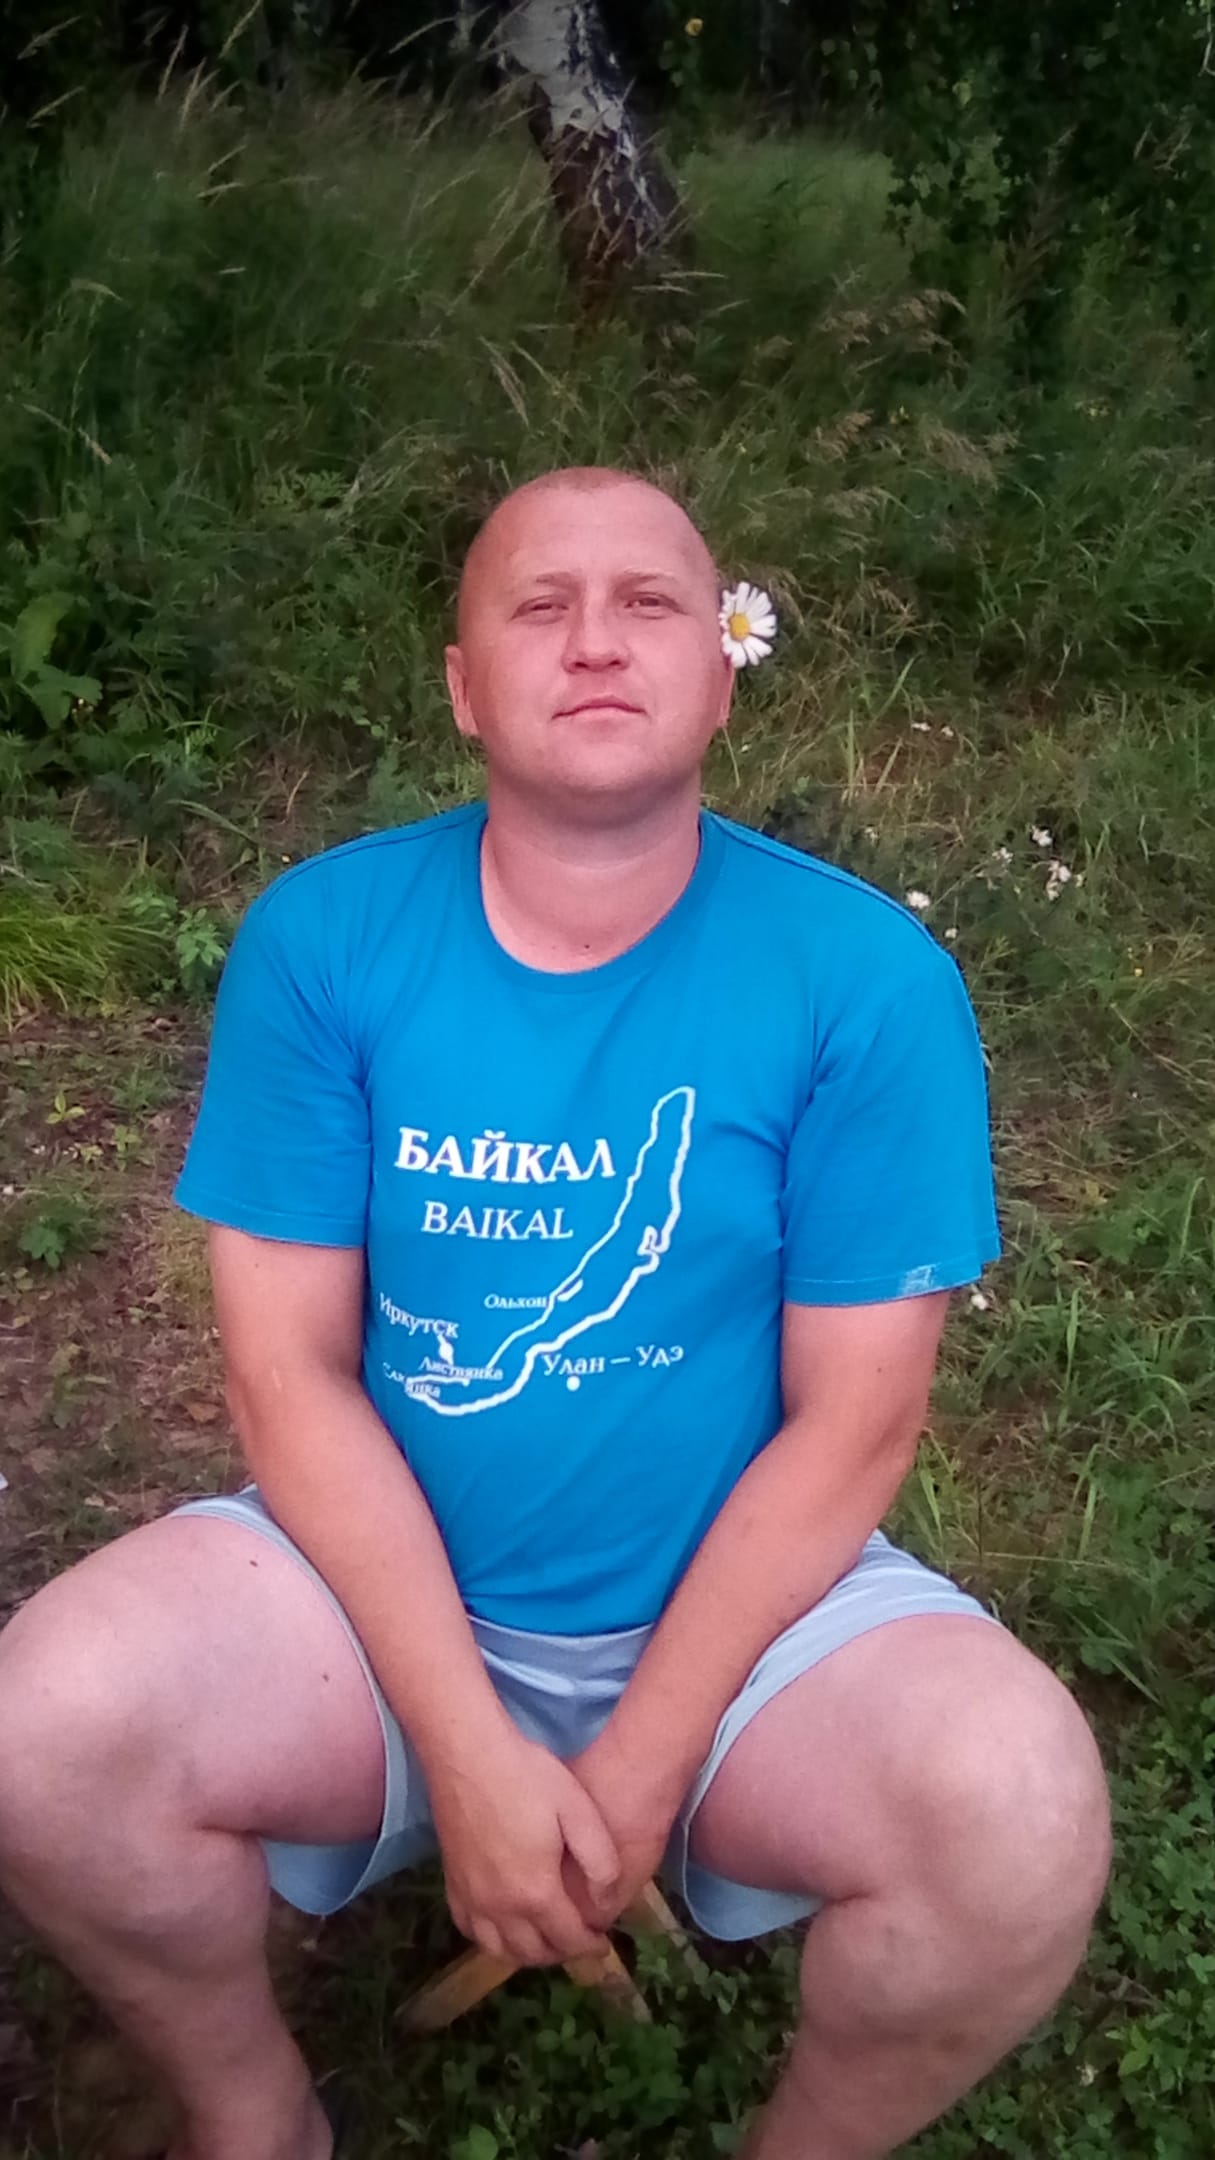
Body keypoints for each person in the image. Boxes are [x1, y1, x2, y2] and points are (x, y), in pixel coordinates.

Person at [0, 467, 1111, 2160]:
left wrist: (645, 1760)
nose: (596, 641)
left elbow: (855, 1422)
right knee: (43, 1735)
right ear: (464, 687)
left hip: (744, 1628)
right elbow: (288, 1376)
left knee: (1017, 1820)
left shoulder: (867, 981)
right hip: (375, 1599)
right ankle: (255, 2116)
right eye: (541, 605)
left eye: (650, 603)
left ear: (722, 673)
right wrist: (465, 1747)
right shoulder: (323, 942)